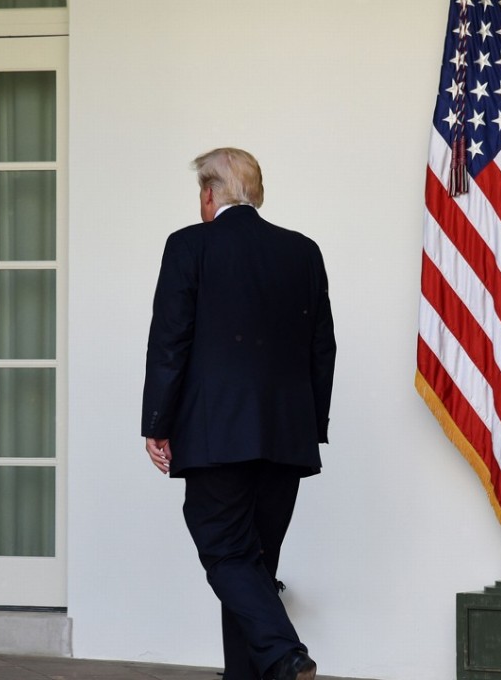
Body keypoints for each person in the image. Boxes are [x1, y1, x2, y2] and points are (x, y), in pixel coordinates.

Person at [141, 147, 336, 680]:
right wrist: (309, 426)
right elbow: (324, 348)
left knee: (227, 554)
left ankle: (284, 652)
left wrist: (156, 423)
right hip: (286, 438)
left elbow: (170, 340)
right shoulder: (303, 252)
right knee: (253, 567)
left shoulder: (189, 246)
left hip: (216, 436)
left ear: (209, 193)